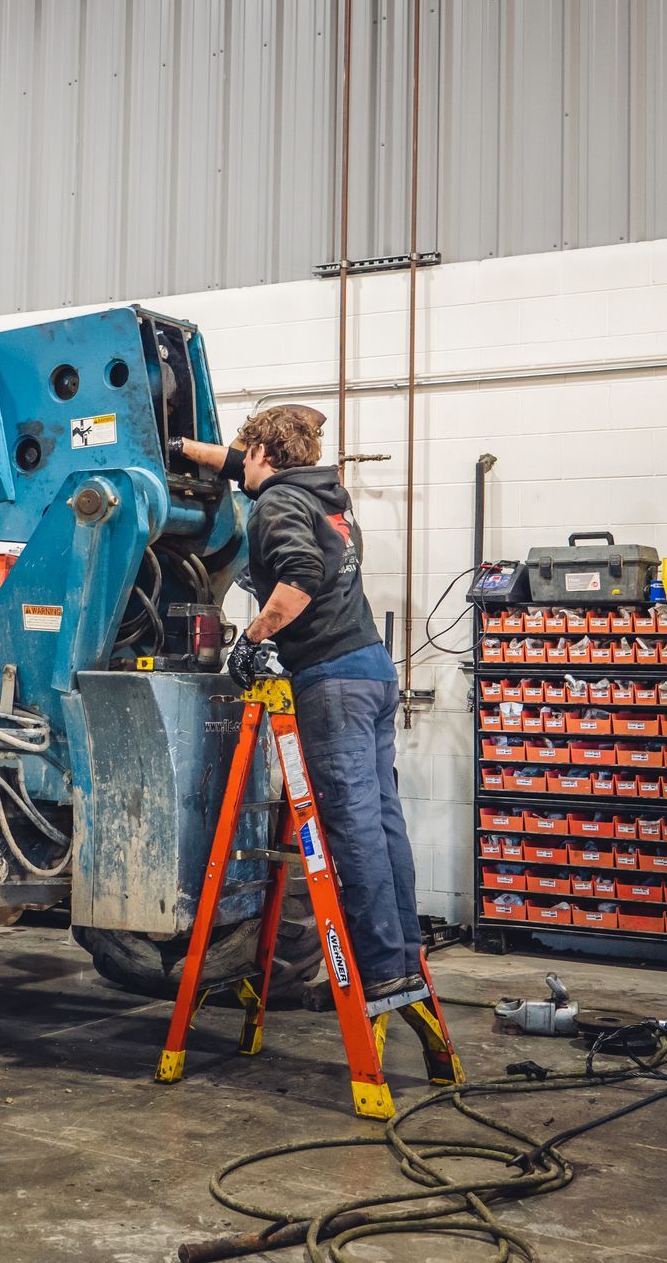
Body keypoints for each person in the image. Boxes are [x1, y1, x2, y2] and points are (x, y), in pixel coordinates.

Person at [171, 407, 425, 1002]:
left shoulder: (276, 505)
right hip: (373, 674)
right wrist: (182, 447)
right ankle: (405, 954)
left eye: (246, 453)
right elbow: (238, 463)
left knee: (353, 826)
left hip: (331, 681)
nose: (239, 466)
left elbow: (301, 576)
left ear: (264, 455)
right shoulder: (322, 495)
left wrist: (252, 640)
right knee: (385, 822)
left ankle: (383, 968)